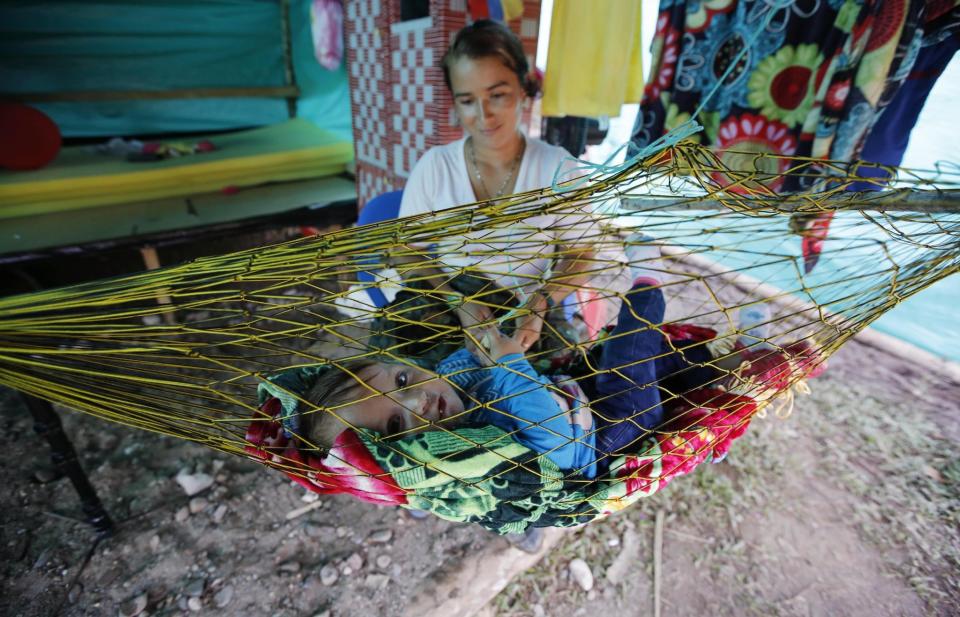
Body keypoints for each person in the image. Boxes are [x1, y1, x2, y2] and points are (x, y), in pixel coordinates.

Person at [296, 239, 823, 478]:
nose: (419, 399)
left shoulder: (447, 381)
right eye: (394, 424)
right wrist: (506, 366)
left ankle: (722, 418)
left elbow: (470, 351)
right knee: (630, 348)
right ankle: (647, 281)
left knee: (678, 370)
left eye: (405, 378)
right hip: (611, 432)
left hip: (575, 388)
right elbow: (563, 452)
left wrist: (484, 336)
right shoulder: (472, 452)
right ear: (395, 459)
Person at [390, 19, 628, 355]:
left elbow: (582, 252)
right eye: (468, 100)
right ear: (456, 105)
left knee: (552, 383)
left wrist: (540, 304)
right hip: (448, 305)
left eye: (497, 95)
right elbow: (405, 251)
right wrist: (459, 302)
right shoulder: (435, 166)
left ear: (522, 88)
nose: (484, 115)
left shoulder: (557, 168)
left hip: (523, 313)